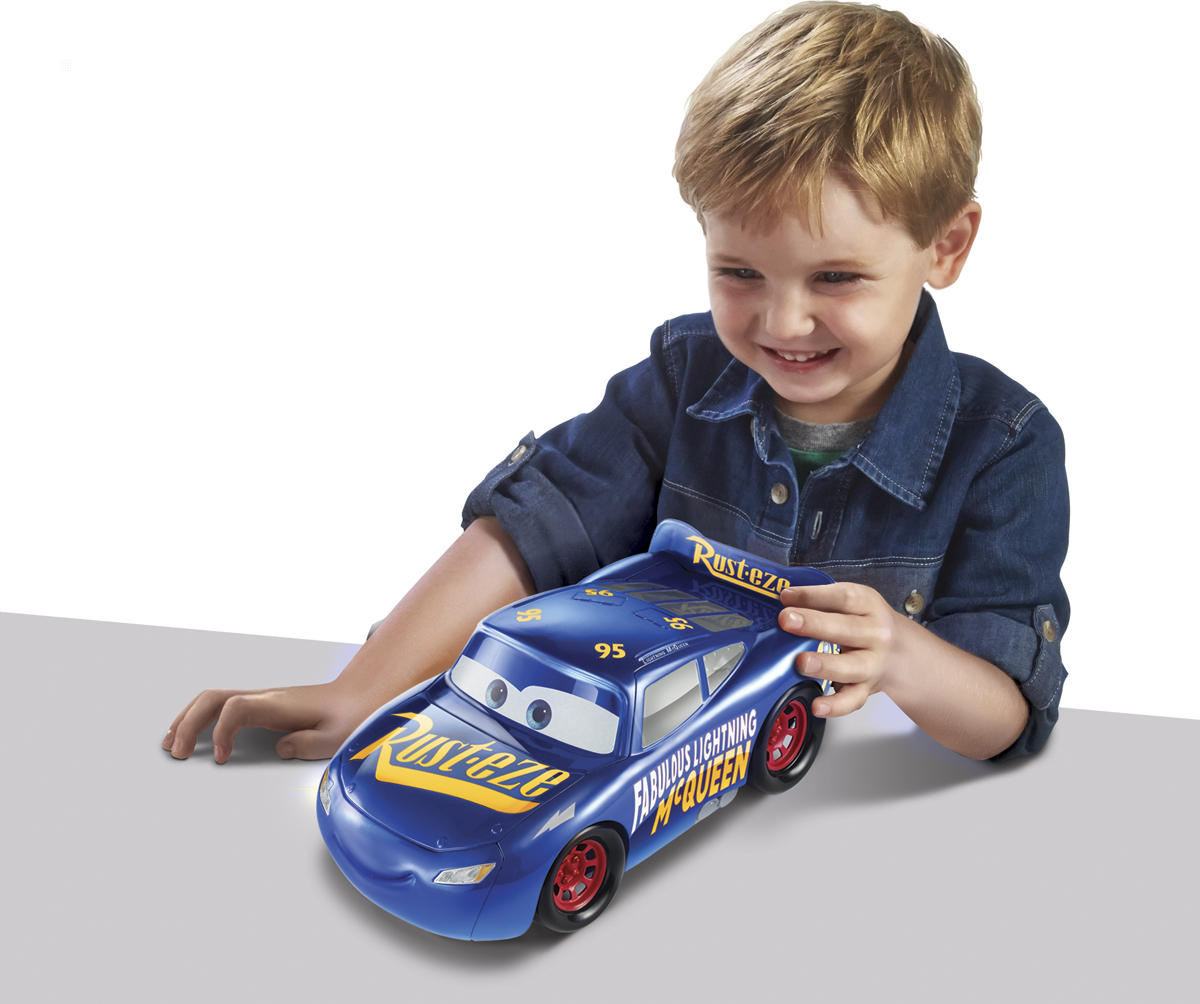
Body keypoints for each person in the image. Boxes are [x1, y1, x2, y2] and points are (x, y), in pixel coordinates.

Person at [163, 1, 1067, 766]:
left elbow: (1010, 716)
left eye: (836, 278)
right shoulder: (683, 377)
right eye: (739, 273)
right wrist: (360, 690)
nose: (783, 323)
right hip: (631, 758)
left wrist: (903, 656)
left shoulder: (1004, 444)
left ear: (946, 247)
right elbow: (531, 532)